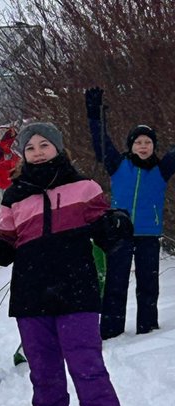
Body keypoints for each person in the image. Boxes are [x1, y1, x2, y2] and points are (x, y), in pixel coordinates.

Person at [0, 122, 133, 406]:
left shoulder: (83, 187)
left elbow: (106, 232)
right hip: (32, 299)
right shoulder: (15, 196)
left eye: (44, 145)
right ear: (24, 155)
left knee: (89, 373)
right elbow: (5, 248)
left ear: (59, 148)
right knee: (45, 380)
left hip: (76, 293)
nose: (37, 152)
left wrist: (117, 225)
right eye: (30, 148)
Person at [84, 87, 175, 339]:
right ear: (131, 145)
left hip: (148, 234)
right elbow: (100, 142)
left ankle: (148, 329)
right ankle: (112, 331)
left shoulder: (162, 168)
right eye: (138, 142)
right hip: (119, 233)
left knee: (149, 284)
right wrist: (94, 115)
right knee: (116, 283)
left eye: (148, 142)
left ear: (154, 146)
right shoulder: (118, 164)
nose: (143, 146)